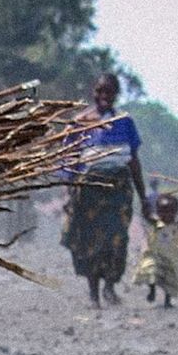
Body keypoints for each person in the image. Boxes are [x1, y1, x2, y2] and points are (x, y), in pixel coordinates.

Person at [59, 72, 154, 308]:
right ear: (93, 91)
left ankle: (110, 287)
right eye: (100, 90)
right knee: (90, 241)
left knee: (116, 239)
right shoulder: (80, 122)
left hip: (118, 190)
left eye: (109, 91)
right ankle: (93, 294)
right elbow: (69, 163)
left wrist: (143, 197)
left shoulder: (125, 122)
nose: (104, 96)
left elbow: (133, 161)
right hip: (89, 190)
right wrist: (68, 194)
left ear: (116, 94)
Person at [133, 191, 178, 307]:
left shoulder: (177, 225)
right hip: (155, 255)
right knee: (152, 272)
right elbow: (146, 215)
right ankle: (152, 290)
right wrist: (144, 204)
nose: (167, 215)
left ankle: (167, 301)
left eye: (170, 212)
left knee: (169, 280)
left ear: (176, 212)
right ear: (158, 212)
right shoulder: (156, 223)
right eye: (163, 211)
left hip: (170, 258)